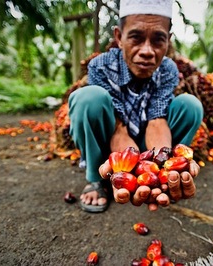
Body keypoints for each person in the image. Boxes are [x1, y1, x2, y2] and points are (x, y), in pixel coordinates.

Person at [68, 0, 204, 213]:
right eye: (136, 38)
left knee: (190, 105)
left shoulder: (168, 69)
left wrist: (159, 169)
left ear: (168, 40)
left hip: (146, 144)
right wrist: (129, 169)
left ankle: (169, 177)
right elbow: (118, 129)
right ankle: (96, 178)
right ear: (119, 37)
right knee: (88, 99)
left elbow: (157, 120)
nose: (147, 51)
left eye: (158, 40)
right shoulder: (101, 65)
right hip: (112, 140)